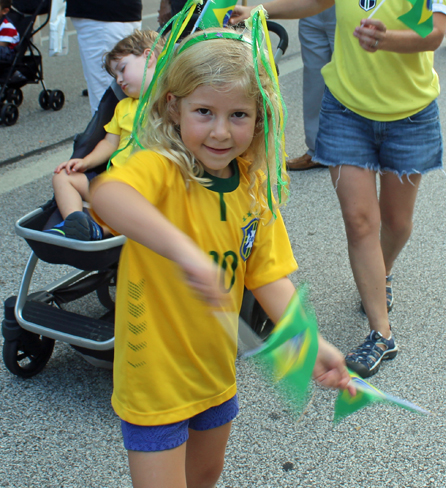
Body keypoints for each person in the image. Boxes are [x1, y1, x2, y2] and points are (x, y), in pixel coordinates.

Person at [90, 26, 355, 487]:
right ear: (174, 107)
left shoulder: (252, 188)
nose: (219, 131)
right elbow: (107, 197)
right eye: (204, 111)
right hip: (154, 377)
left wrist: (307, 342)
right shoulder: (159, 168)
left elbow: (268, 275)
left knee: (206, 476)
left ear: (259, 119)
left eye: (237, 115)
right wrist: (184, 252)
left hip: (214, 373)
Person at [231, 0, 446, 378]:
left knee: (397, 224)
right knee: (360, 221)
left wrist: (388, 39)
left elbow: (432, 32)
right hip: (346, 110)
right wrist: (261, 10)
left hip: (410, 116)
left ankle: (381, 274)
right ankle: (381, 333)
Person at [47, 30, 164, 241]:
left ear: (148, 57)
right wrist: (85, 161)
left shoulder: (168, 102)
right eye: (115, 76)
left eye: (122, 69)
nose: (118, 80)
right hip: (110, 181)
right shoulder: (123, 107)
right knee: (63, 176)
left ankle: (103, 230)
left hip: (142, 188)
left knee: (138, 205)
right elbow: (109, 143)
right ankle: (74, 221)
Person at [66, 0, 142, 114]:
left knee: (106, 102)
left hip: (103, 17)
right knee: (114, 99)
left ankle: (110, 131)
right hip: (106, 15)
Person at [286, 7, 336, 171]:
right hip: (311, 9)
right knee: (314, 77)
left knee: (352, 76)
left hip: (354, 8)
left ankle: (360, 149)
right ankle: (317, 150)